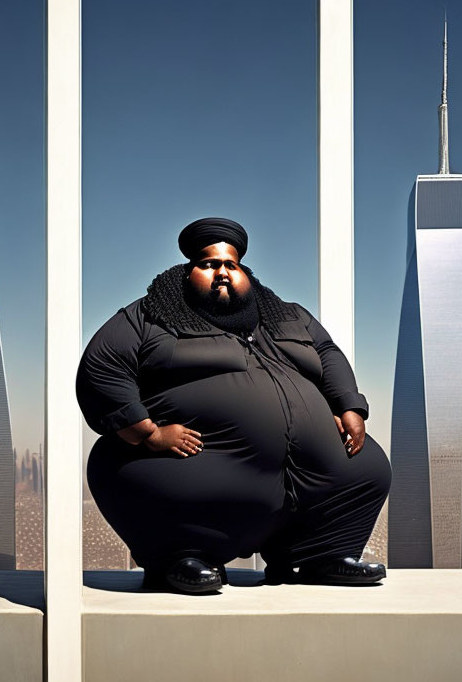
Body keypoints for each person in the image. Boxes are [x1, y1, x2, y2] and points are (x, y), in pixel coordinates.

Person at [77, 217, 391, 593]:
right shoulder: (147, 317)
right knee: (123, 466)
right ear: (187, 270)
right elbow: (101, 366)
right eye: (209, 264)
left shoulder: (288, 315)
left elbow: (328, 354)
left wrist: (349, 406)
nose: (221, 272)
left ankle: (320, 554)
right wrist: (147, 434)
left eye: (231, 265)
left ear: (244, 272)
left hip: (312, 474)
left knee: (368, 466)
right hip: (198, 465)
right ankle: (181, 557)